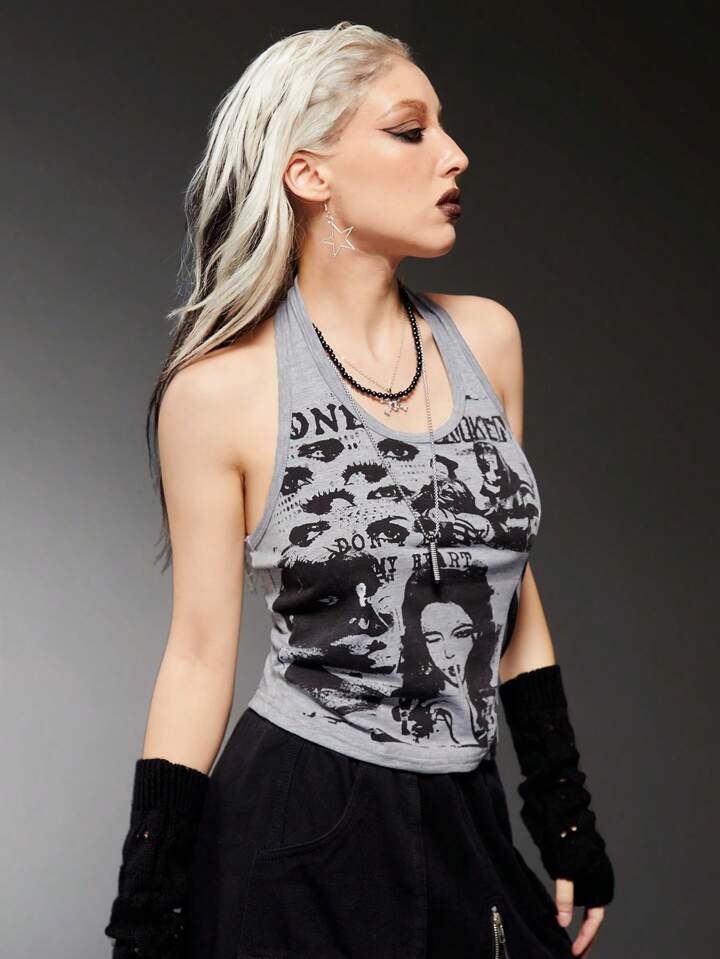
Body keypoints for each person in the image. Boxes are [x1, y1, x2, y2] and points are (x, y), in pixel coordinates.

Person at [104, 21, 614, 959]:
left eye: (443, 128)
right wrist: (147, 902)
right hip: (300, 818)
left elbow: (506, 581)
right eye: (411, 131)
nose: (455, 154)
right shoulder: (217, 392)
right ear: (310, 174)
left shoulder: (487, 339)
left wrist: (563, 808)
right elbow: (200, 654)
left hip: (466, 807)